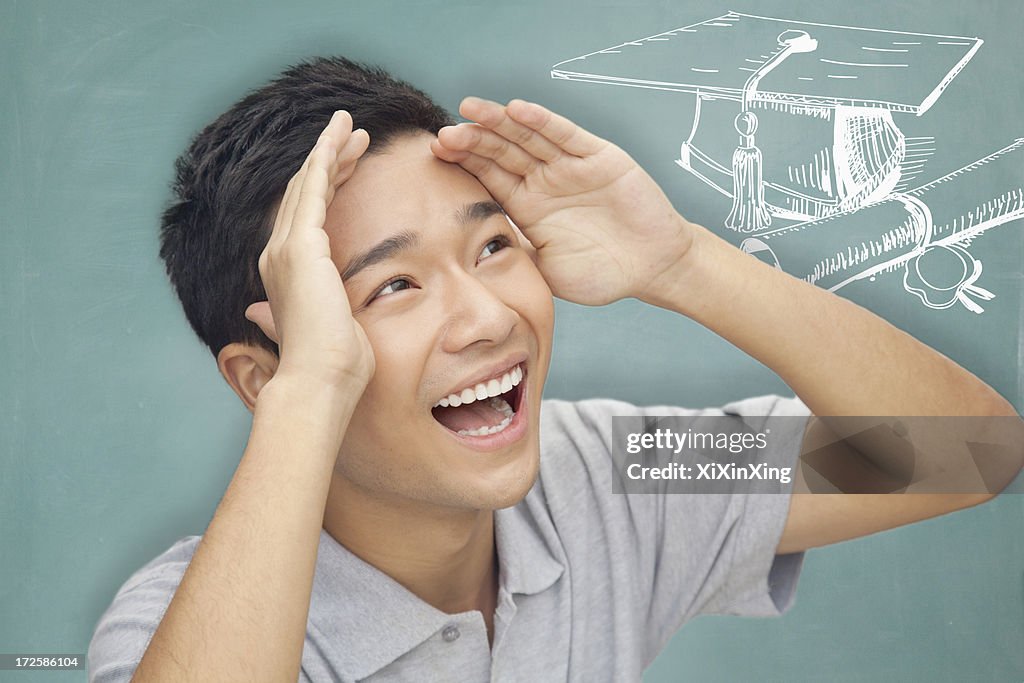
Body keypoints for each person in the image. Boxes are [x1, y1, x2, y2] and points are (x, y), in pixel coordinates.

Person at [88, 56, 1022, 682]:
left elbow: (969, 452)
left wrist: (685, 265)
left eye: (493, 245)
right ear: (262, 379)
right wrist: (306, 400)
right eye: (393, 286)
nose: (489, 316)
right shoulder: (186, 623)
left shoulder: (614, 481)